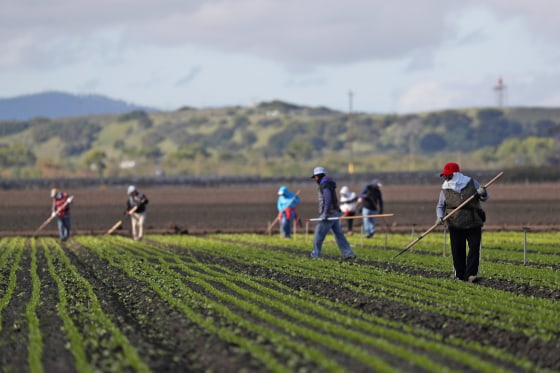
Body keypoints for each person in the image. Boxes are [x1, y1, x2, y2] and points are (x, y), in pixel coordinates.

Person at [436, 162, 488, 283]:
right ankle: (459, 275)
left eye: (448, 176)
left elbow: (484, 198)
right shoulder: (444, 189)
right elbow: (440, 206)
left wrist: (483, 193)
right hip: (455, 223)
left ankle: (471, 275)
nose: (446, 178)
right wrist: (439, 217)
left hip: (473, 221)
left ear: (457, 174)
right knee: (457, 250)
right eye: (445, 176)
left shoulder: (471, 183)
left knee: (474, 248)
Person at [309, 167, 356, 260]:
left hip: (329, 213)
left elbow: (328, 199)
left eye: (314, 177)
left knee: (318, 234)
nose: (314, 179)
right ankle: (349, 253)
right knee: (339, 235)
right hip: (334, 212)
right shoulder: (329, 184)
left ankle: (315, 254)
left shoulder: (325, 185)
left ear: (318, 176)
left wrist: (325, 213)